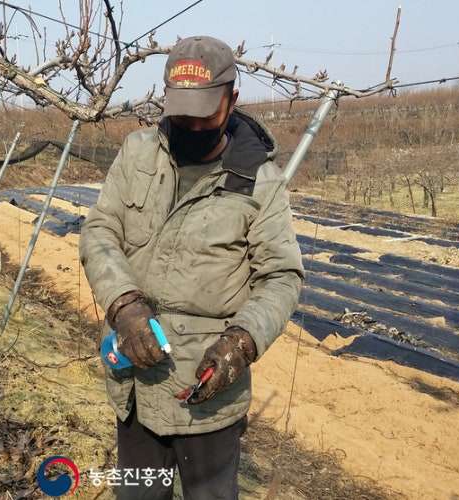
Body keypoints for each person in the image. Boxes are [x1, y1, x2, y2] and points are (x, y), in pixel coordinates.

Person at [79, 35, 304, 499]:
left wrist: (241, 343)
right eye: (181, 111)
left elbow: (280, 276)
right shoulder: (139, 153)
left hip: (206, 394)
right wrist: (124, 305)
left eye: (205, 113)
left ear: (232, 100)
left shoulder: (258, 181)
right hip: (134, 380)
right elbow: (100, 230)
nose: (191, 123)